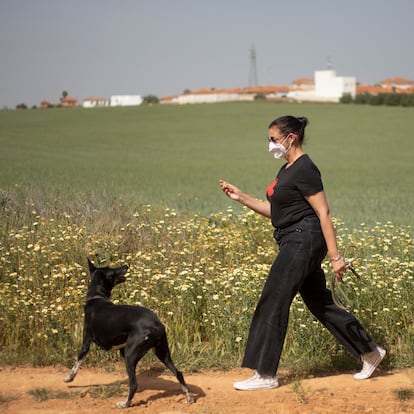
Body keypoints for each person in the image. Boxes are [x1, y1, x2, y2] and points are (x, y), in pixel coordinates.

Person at [219, 115, 386, 391]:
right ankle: (370, 351)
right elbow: (277, 213)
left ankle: (265, 374)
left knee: (274, 297)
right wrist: (242, 198)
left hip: (303, 239)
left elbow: (323, 212)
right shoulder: (287, 170)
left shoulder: (306, 169)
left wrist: (335, 257)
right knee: (319, 301)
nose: (270, 144)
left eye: (273, 139)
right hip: (292, 239)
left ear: (290, 138)